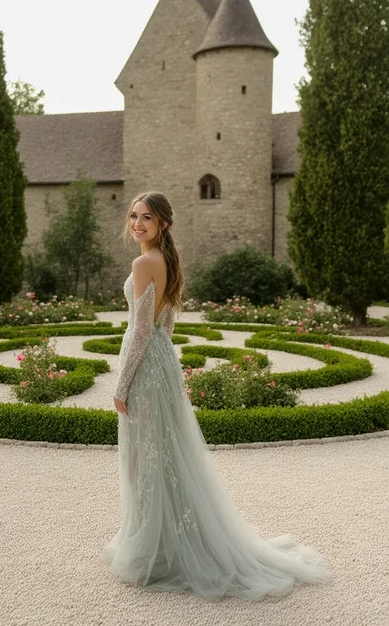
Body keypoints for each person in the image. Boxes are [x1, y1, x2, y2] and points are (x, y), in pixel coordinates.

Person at [101, 191, 333, 601]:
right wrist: (162, 364)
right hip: (163, 362)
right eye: (133, 216)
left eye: (146, 218)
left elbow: (139, 331)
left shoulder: (142, 263)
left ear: (163, 224)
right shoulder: (168, 261)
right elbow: (165, 324)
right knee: (166, 456)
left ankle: (155, 552)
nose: (137, 224)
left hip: (145, 367)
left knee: (145, 458)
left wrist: (122, 384)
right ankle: (165, 545)